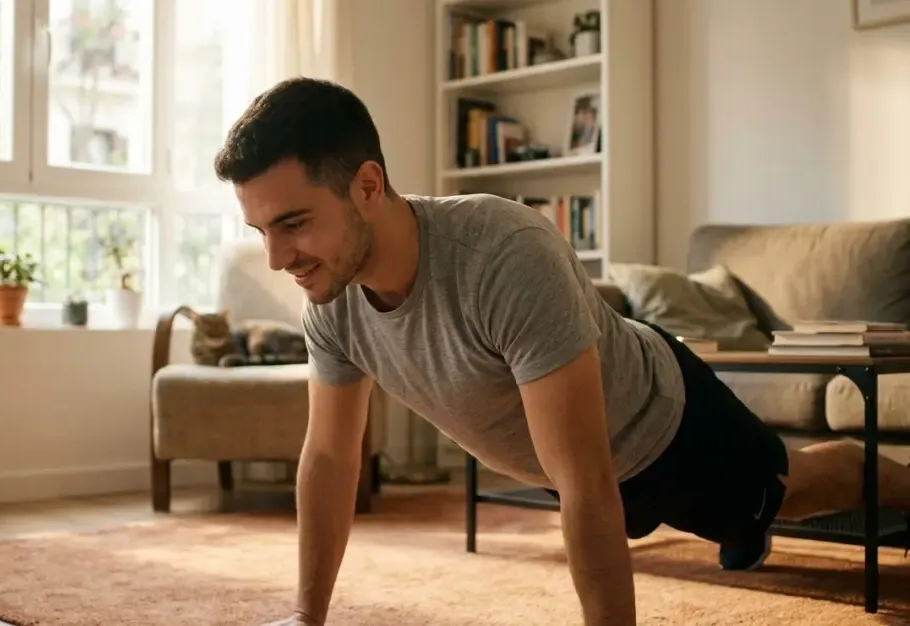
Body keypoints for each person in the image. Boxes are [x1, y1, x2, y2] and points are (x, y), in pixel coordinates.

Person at [212, 77, 910, 626]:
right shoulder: (330, 302)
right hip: (570, 470)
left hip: (665, 426)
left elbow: (585, 474)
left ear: (366, 185)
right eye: (261, 229)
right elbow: (331, 457)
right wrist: (307, 617)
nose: (277, 258)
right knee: (693, 513)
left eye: (293, 224)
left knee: (795, 490)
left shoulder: (503, 255)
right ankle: (744, 525)